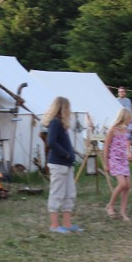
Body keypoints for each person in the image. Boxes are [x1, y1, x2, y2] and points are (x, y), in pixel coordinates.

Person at [44, 96, 83, 234]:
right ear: (63, 108)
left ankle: (67, 224)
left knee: (69, 194)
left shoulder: (61, 123)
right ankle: (54, 225)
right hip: (58, 164)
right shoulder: (55, 122)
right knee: (57, 194)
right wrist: (66, 154)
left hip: (66, 164)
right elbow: (51, 142)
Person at [104, 108, 132, 220]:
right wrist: (106, 163)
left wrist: (129, 154)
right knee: (122, 184)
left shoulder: (127, 131)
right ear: (125, 117)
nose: (131, 121)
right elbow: (106, 147)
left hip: (123, 160)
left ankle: (123, 212)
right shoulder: (113, 130)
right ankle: (110, 205)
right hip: (114, 159)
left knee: (127, 186)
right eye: (130, 118)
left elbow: (127, 146)